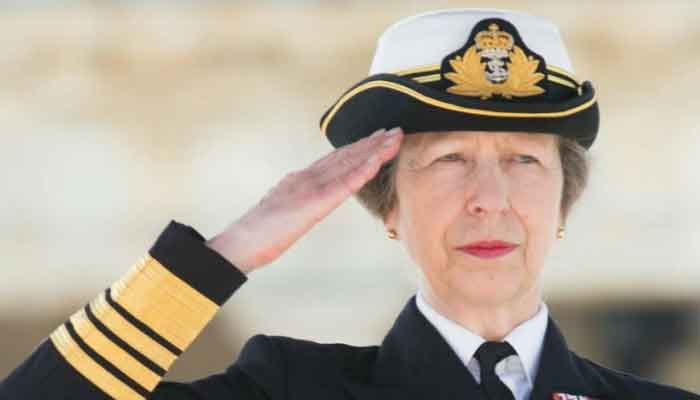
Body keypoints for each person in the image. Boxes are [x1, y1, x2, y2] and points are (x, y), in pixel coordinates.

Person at [0, 8, 697, 400]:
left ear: (564, 202)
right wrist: (227, 254)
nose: (491, 200)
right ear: (386, 205)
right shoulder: (292, 389)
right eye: (450, 160)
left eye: (524, 161)